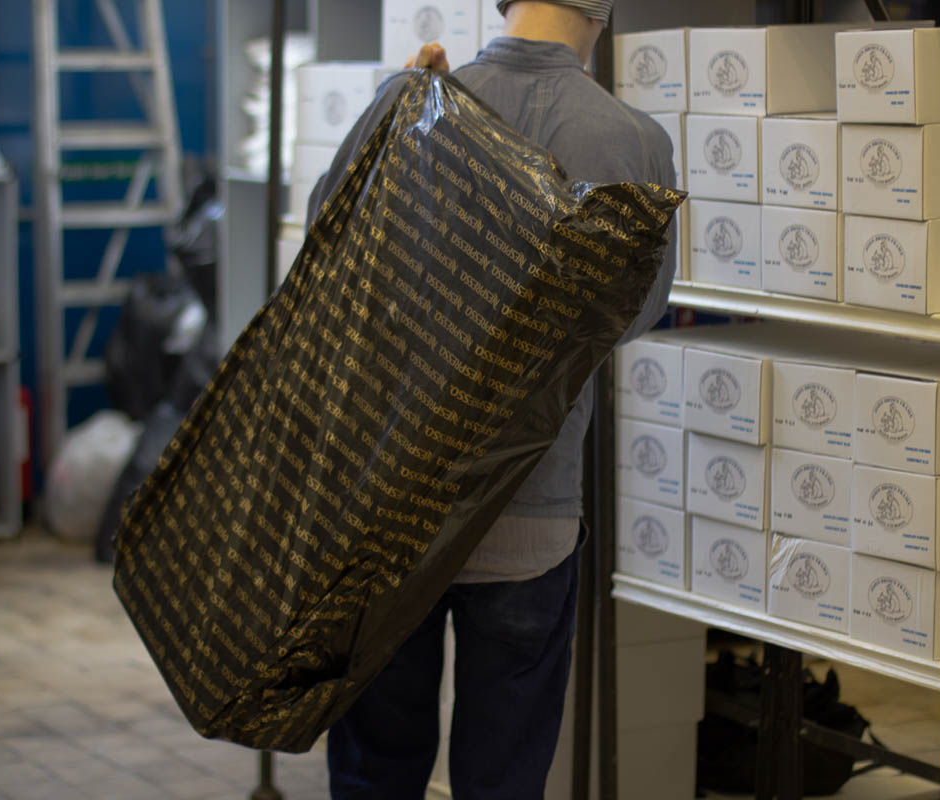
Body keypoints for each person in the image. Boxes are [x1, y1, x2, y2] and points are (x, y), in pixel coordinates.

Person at [307, 2, 678, 797]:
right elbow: (636, 314)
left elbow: (327, 241)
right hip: (530, 506)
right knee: (503, 777)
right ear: (603, 13)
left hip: (390, 501)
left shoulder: (417, 97)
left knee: (375, 769)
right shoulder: (632, 140)